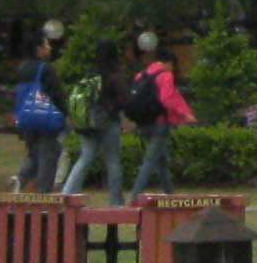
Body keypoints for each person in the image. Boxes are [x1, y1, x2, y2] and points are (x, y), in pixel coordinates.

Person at [63, 40, 130, 200]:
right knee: (112, 161)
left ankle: (67, 193)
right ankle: (116, 202)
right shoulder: (114, 74)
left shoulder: (90, 74)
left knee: (86, 157)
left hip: (87, 124)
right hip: (108, 122)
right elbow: (123, 100)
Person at [131, 46, 193, 191]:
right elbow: (166, 99)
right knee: (150, 160)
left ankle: (169, 193)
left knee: (162, 159)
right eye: (173, 66)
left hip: (143, 121)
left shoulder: (141, 75)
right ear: (169, 63)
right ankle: (135, 195)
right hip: (160, 122)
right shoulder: (166, 75)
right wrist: (183, 114)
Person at [11, 44, 68, 194]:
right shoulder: (45, 68)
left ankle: (20, 178)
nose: (49, 47)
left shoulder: (22, 69)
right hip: (45, 118)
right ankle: (43, 193)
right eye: (46, 45)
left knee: (34, 153)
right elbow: (56, 94)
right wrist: (65, 113)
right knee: (48, 155)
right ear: (38, 49)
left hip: (27, 118)